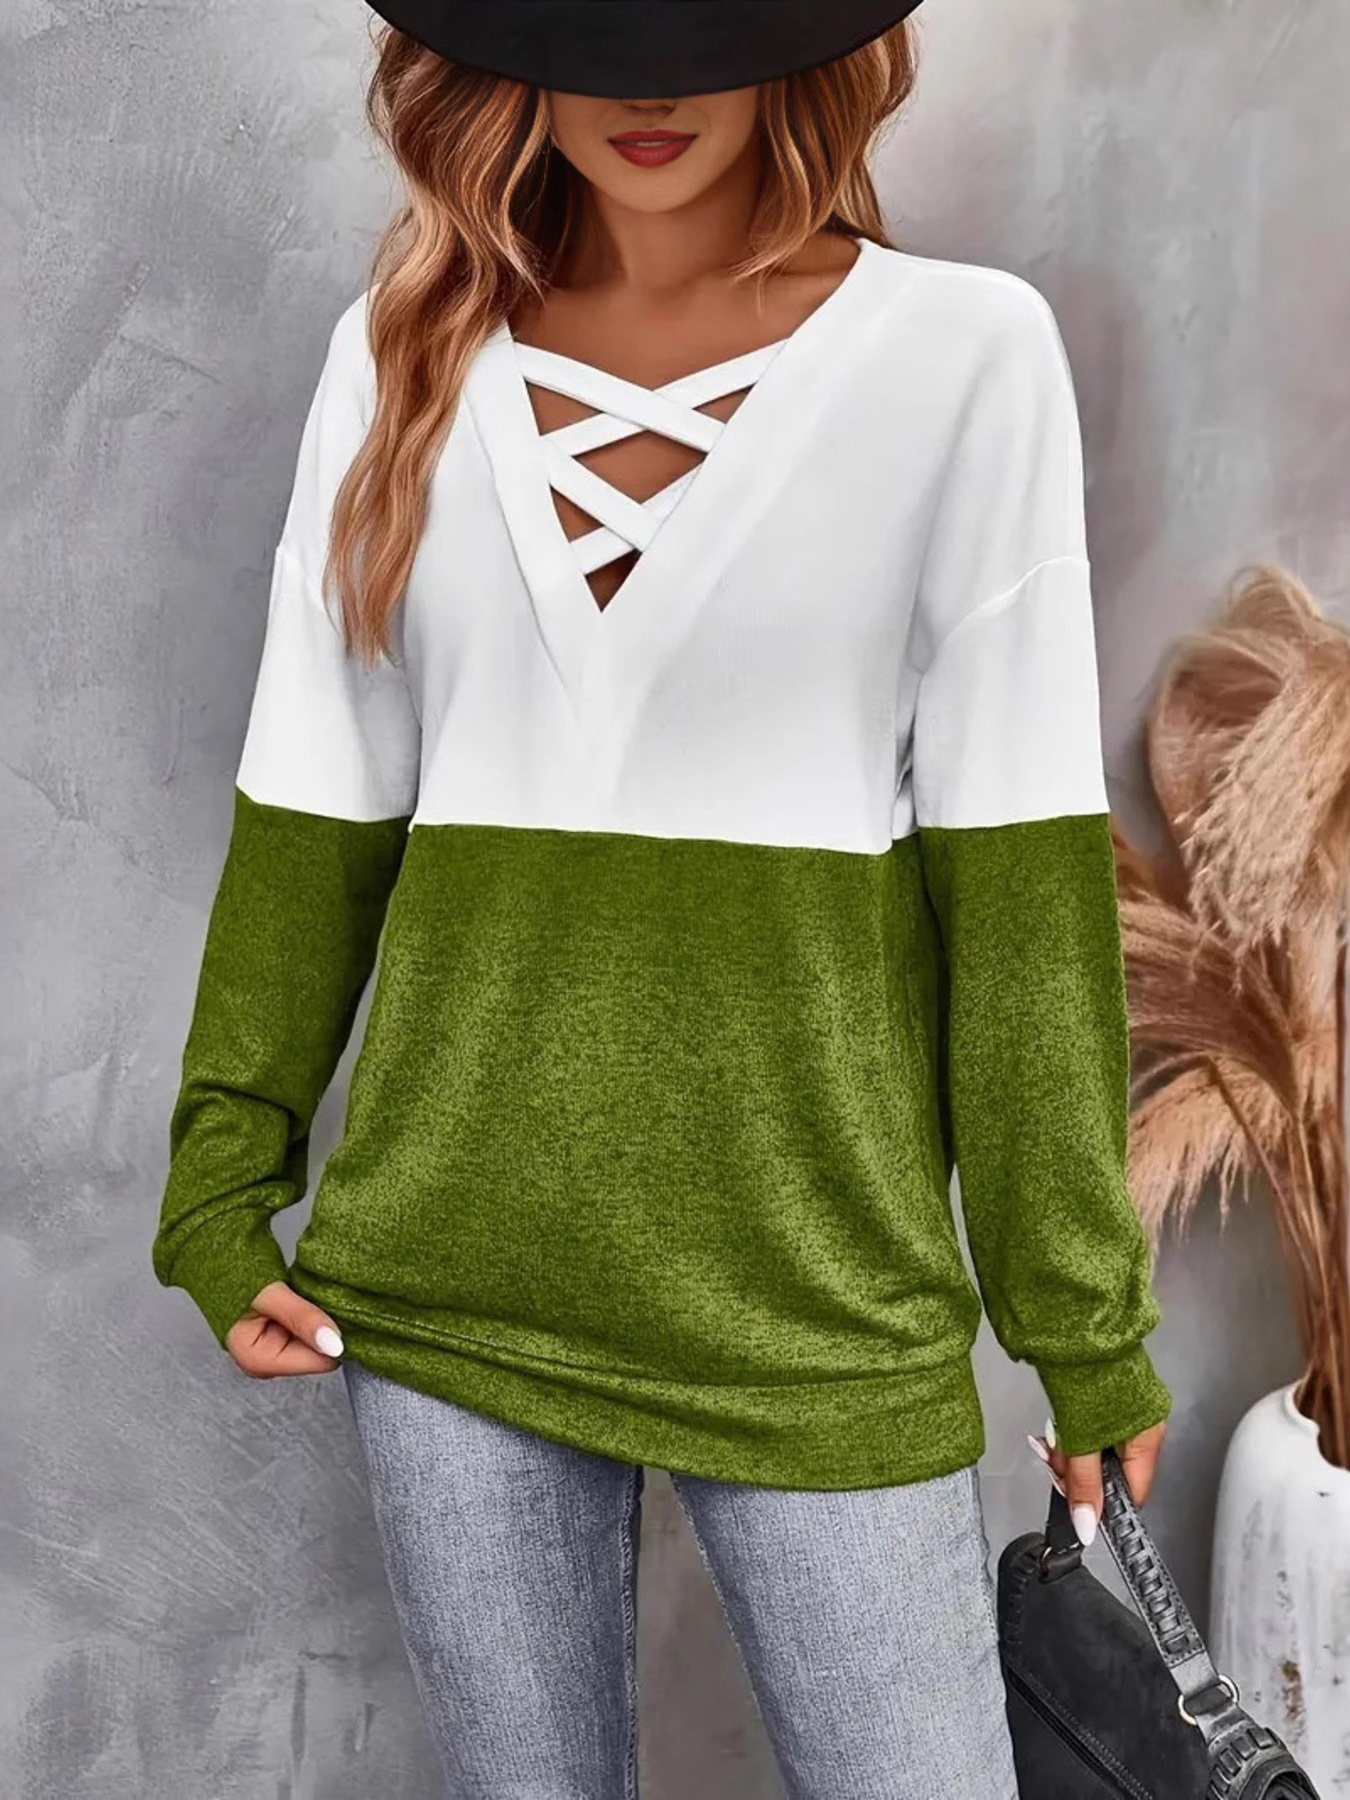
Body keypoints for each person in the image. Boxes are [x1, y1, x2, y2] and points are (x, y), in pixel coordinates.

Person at [151, 4, 1171, 1795]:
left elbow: (1021, 906)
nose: (647, 79)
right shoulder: (396, 356)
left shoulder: (962, 357)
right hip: (448, 1297)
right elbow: (315, 814)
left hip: (818, 1306)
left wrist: (1080, 1326)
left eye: (707, 16)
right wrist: (219, 1184)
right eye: (587, 18)